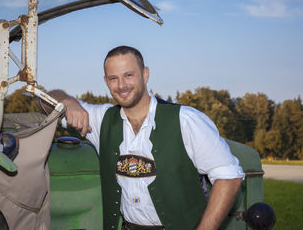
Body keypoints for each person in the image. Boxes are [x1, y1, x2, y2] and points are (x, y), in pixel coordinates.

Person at [50, 45, 244, 230]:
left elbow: (229, 176)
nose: (121, 85)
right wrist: (67, 101)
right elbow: (44, 99)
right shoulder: (101, 120)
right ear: (106, 82)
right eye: (113, 78)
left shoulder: (186, 120)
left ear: (145, 74)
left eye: (128, 75)